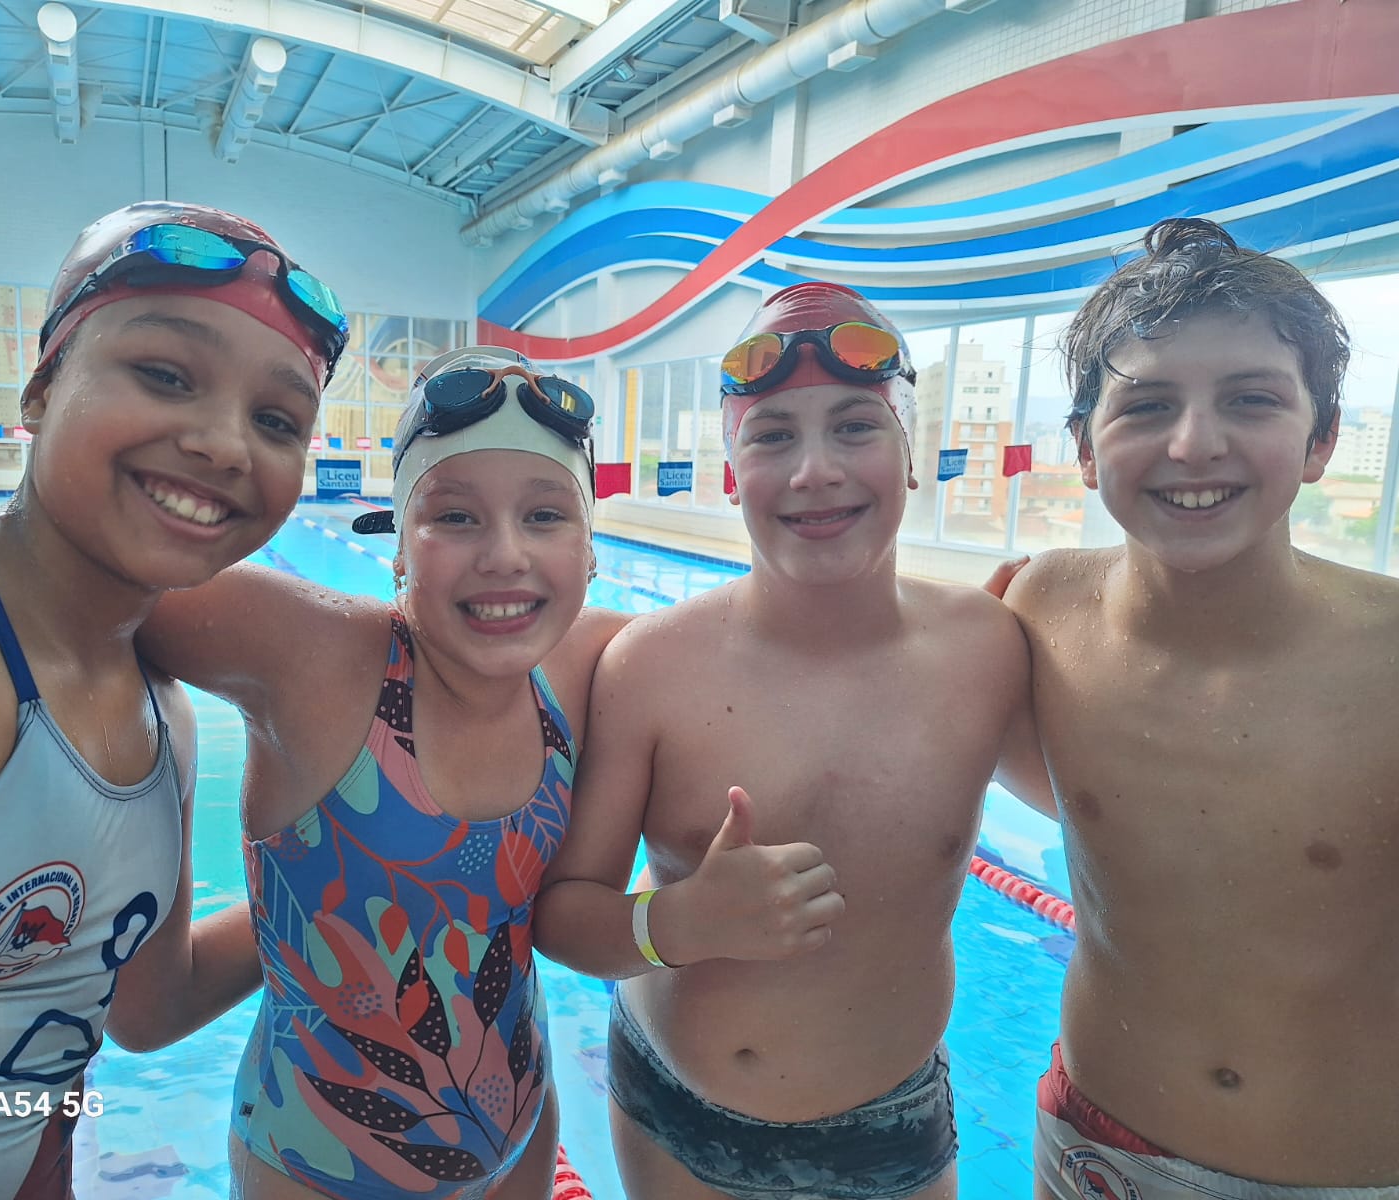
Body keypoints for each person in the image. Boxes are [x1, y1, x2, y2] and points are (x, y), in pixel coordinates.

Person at [0, 344, 623, 1200]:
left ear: (591, 545)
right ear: (399, 547)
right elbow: (40, 553)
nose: (505, 555)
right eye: (454, 516)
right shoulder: (314, 653)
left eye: (546, 515)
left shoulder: (593, 664)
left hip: (522, 1136)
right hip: (320, 1165)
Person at [0, 199, 351, 1197]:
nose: (224, 444)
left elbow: (151, 1008)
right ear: (43, 385)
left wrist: (357, 875)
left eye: (277, 421)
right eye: (165, 375)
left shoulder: (163, 710)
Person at [534, 281, 1035, 1200]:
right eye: (771, 436)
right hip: (675, 1111)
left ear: (911, 451)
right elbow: (563, 916)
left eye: (855, 426)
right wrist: (680, 922)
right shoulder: (650, 666)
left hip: (890, 1121)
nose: (815, 471)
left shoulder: (989, 650)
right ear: (732, 471)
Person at [998, 217, 1399, 1198]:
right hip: (1091, 1150)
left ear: (1320, 441)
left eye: (1251, 399)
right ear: (1084, 447)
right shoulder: (1040, 607)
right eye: (1147, 405)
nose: (1194, 443)